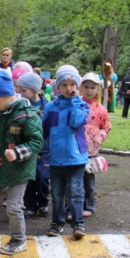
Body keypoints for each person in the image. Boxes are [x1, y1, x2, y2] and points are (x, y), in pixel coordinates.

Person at [0, 70, 43, 255]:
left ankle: (19, 239)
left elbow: (36, 142)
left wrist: (17, 152)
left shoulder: (27, 114)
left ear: (6, 94)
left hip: (19, 170)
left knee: (13, 206)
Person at [42, 65, 89, 239]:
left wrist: (76, 101)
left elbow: (77, 122)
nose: (69, 88)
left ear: (77, 86)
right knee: (56, 193)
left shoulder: (82, 105)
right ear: (58, 87)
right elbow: (44, 131)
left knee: (76, 191)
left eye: (72, 84)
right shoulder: (50, 107)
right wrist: (42, 151)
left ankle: (78, 223)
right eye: (64, 85)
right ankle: (57, 222)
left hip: (76, 158)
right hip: (56, 159)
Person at [16, 71, 50, 219]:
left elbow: (49, 128)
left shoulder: (47, 106)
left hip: (44, 148)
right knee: (28, 178)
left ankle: (43, 202)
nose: (21, 94)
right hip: (26, 147)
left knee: (42, 178)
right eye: (19, 90)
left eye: (24, 91)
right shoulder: (20, 106)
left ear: (35, 89)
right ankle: (30, 205)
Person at [80, 73, 111, 217]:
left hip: (92, 151)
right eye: (86, 87)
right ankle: (74, 205)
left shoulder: (101, 110)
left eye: (92, 87)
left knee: (89, 181)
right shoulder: (76, 104)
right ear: (81, 87)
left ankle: (90, 205)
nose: (89, 90)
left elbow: (106, 127)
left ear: (98, 89)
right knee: (75, 180)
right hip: (76, 149)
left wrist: (100, 136)